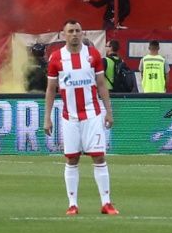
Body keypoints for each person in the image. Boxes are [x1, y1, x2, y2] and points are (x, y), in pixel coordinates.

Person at [41, 20, 117, 215]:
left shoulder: (92, 55)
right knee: (72, 159)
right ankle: (72, 204)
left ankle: (106, 203)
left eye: (78, 31)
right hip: (70, 117)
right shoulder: (56, 58)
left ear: (83, 33)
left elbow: (101, 85)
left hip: (92, 114)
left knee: (99, 157)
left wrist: (109, 111)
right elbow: (51, 89)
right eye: (71, 31)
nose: (75, 34)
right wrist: (47, 117)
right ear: (63, 34)